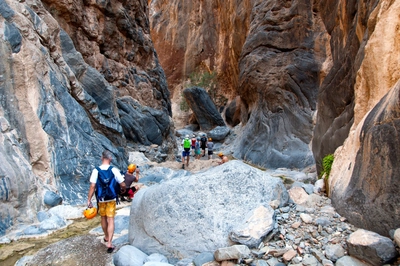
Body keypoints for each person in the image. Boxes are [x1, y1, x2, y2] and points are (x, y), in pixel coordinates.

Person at [87, 150, 126, 253]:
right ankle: (110, 243)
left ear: (101, 158)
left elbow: (92, 186)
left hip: (101, 198)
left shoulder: (96, 170)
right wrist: (123, 189)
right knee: (111, 219)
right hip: (112, 198)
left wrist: (89, 200)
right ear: (111, 159)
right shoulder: (114, 170)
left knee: (103, 217)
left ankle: (106, 237)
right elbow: (122, 183)